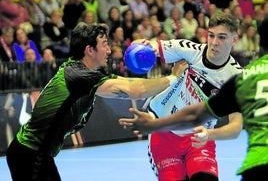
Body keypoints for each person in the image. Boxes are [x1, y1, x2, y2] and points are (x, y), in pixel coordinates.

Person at [5, 23, 185, 181]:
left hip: (35, 154)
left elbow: (129, 83)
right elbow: (136, 91)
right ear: (89, 50)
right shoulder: (79, 76)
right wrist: (173, 77)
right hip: (29, 154)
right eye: (104, 45)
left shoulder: (85, 72)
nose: (108, 51)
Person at [118, 18, 268, 181]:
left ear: (235, 39)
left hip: (199, 138)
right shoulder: (189, 50)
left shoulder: (236, 75)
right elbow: (149, 46)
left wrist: (209, 134)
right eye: (211, 35)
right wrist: (141, 45)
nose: (214, 42)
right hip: (164, 133)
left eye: (222, 37)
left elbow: (235, 126)